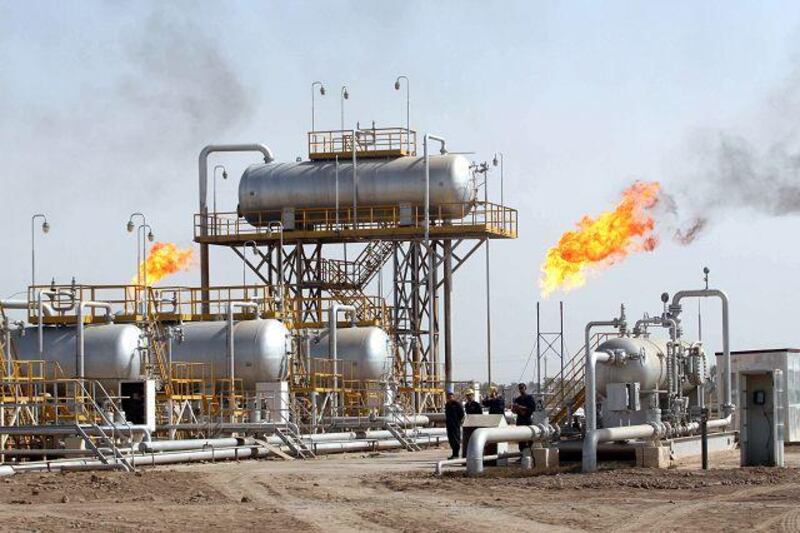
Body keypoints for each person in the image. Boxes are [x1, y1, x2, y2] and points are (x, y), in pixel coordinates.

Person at [511, 382, 536, 451]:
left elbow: (532, 408)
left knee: (529, 438)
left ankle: (529, 452)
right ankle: (522, 454)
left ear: (525, 388)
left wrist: (520, 407)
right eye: (520, 388)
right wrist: (514, 408)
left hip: (527, 419)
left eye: (522, 388)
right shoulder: (517, 399)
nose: (521, 390)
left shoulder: (529, 398)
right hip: (520, 420)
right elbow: (514, 411)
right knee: (521, 439)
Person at [444, 390, 465, 459]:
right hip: (449, 425)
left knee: (456, 440)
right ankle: (454, 454)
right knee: (451, 440)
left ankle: (456, 454)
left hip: (455, 425)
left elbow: (462, 414)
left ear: (453, 397)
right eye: (448, 397)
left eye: (451, 397)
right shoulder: (447, 405)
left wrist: (458, 421)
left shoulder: (457, 404)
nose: (450, 398)